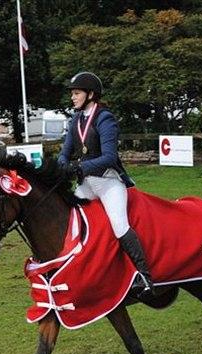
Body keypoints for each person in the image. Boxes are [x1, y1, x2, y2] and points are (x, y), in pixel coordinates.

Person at [57, 71, 155, 299]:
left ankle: (145, 277)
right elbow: (64, 153)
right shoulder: (75, 120)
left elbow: (110, 157)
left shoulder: (104, 118)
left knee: (119, 225)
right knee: (71, 221)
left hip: (109, 183)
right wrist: (63, 165)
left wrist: (80, 168)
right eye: (72, 93)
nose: (73, 97)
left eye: (77, 93)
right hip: (87, 185)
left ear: (91, 94)